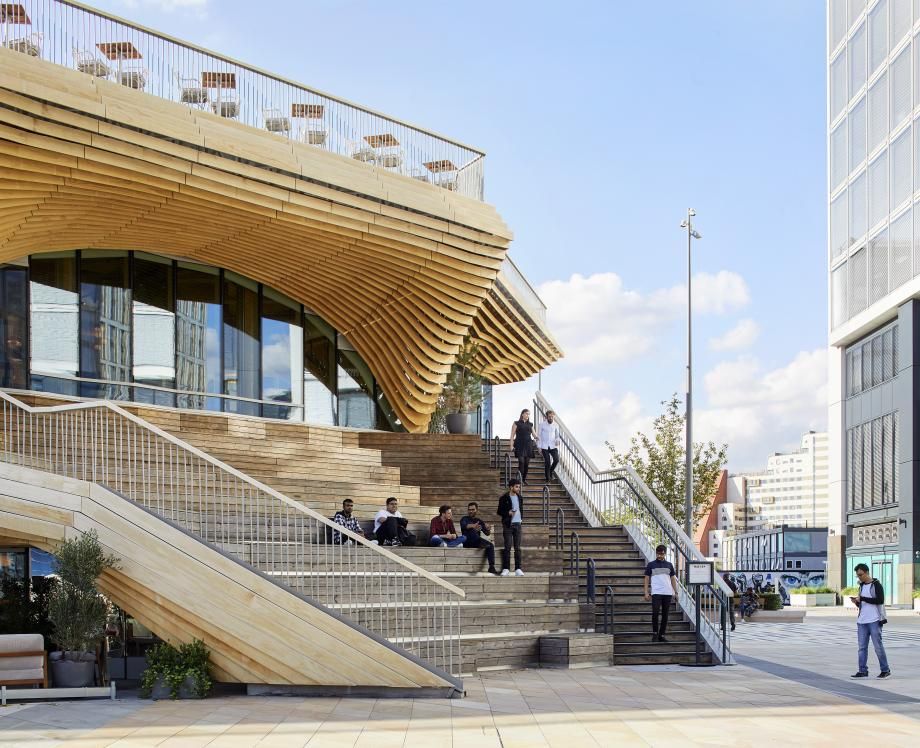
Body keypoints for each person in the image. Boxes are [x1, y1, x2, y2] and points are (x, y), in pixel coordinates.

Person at [850, 563, 891, 679]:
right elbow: (863, 603)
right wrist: (857, 602)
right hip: (862, 621)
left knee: (878, 646)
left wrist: (862, 598)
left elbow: (880, 600)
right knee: (862, 648)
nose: (859, 577)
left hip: (874, 620)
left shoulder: (876, 585)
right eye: (857, 575)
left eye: (861, 575)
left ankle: (885, 669)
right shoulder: (861, 586)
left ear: (867, 572)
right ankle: (862, 670)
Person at [643, 544, 678, 642]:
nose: (659, 556)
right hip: (656, 593)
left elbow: (672, 579)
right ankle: (655, 633)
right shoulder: (651, 564)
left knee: (665, 615)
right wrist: (646, 592)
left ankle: (662, 635)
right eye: (658, 553)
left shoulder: (669, 565)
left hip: (667, 593)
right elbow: (646, 579)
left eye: (661, 554)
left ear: (665, 554)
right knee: (655, 613)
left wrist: (676, 592)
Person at [460, 501, 499, 575]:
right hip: (467, 542)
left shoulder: (479, 521)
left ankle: (491, 567)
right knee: (473, 532)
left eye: (473, 509)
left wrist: (488, 529)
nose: (471, 511)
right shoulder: (464, 519)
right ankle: (482, 544)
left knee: (491, 545)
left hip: (477, 542)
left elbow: (487, 534)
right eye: (469, 510)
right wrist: (473, 526)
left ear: (476, 510)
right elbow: (464, 526)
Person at [497, 477, 524, 576]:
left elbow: (521, 509)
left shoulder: (520, 498)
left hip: (518, 525)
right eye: (517, 487)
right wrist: (507, 513)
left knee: (517, 548)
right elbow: (499, 511)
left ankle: (518, 569)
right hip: (508, 525)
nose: (518, 489)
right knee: (507, 547)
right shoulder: (503, 498)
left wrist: (521, 519)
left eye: (519, 487)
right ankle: (506, 569)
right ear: (511, 487)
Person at [509, 409, 535, 484]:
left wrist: (539, 437)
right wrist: (511, 445)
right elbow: (512, 435)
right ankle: (519, 480)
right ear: (522, 414)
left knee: (526, 463)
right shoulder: (516, 423)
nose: (528, 415)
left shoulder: (530, 424)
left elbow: (534, 434)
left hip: (528, 445)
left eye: (529, 414)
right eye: (526, 413)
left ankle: (523, 479)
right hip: (519, 444)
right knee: (521, 461)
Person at [537, 410, 561, 484]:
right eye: (549, 417)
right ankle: (548, 479)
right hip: (544, 446)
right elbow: (539, 436)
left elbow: (557, 436)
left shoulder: (556, 425)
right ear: (546, 417)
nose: (551, 418)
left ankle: (550, 471)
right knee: (547, 462)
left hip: (553, 446)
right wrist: (539, 447)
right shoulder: (542, 425)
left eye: (552, 417)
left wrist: (557, 440)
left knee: (556, 460)